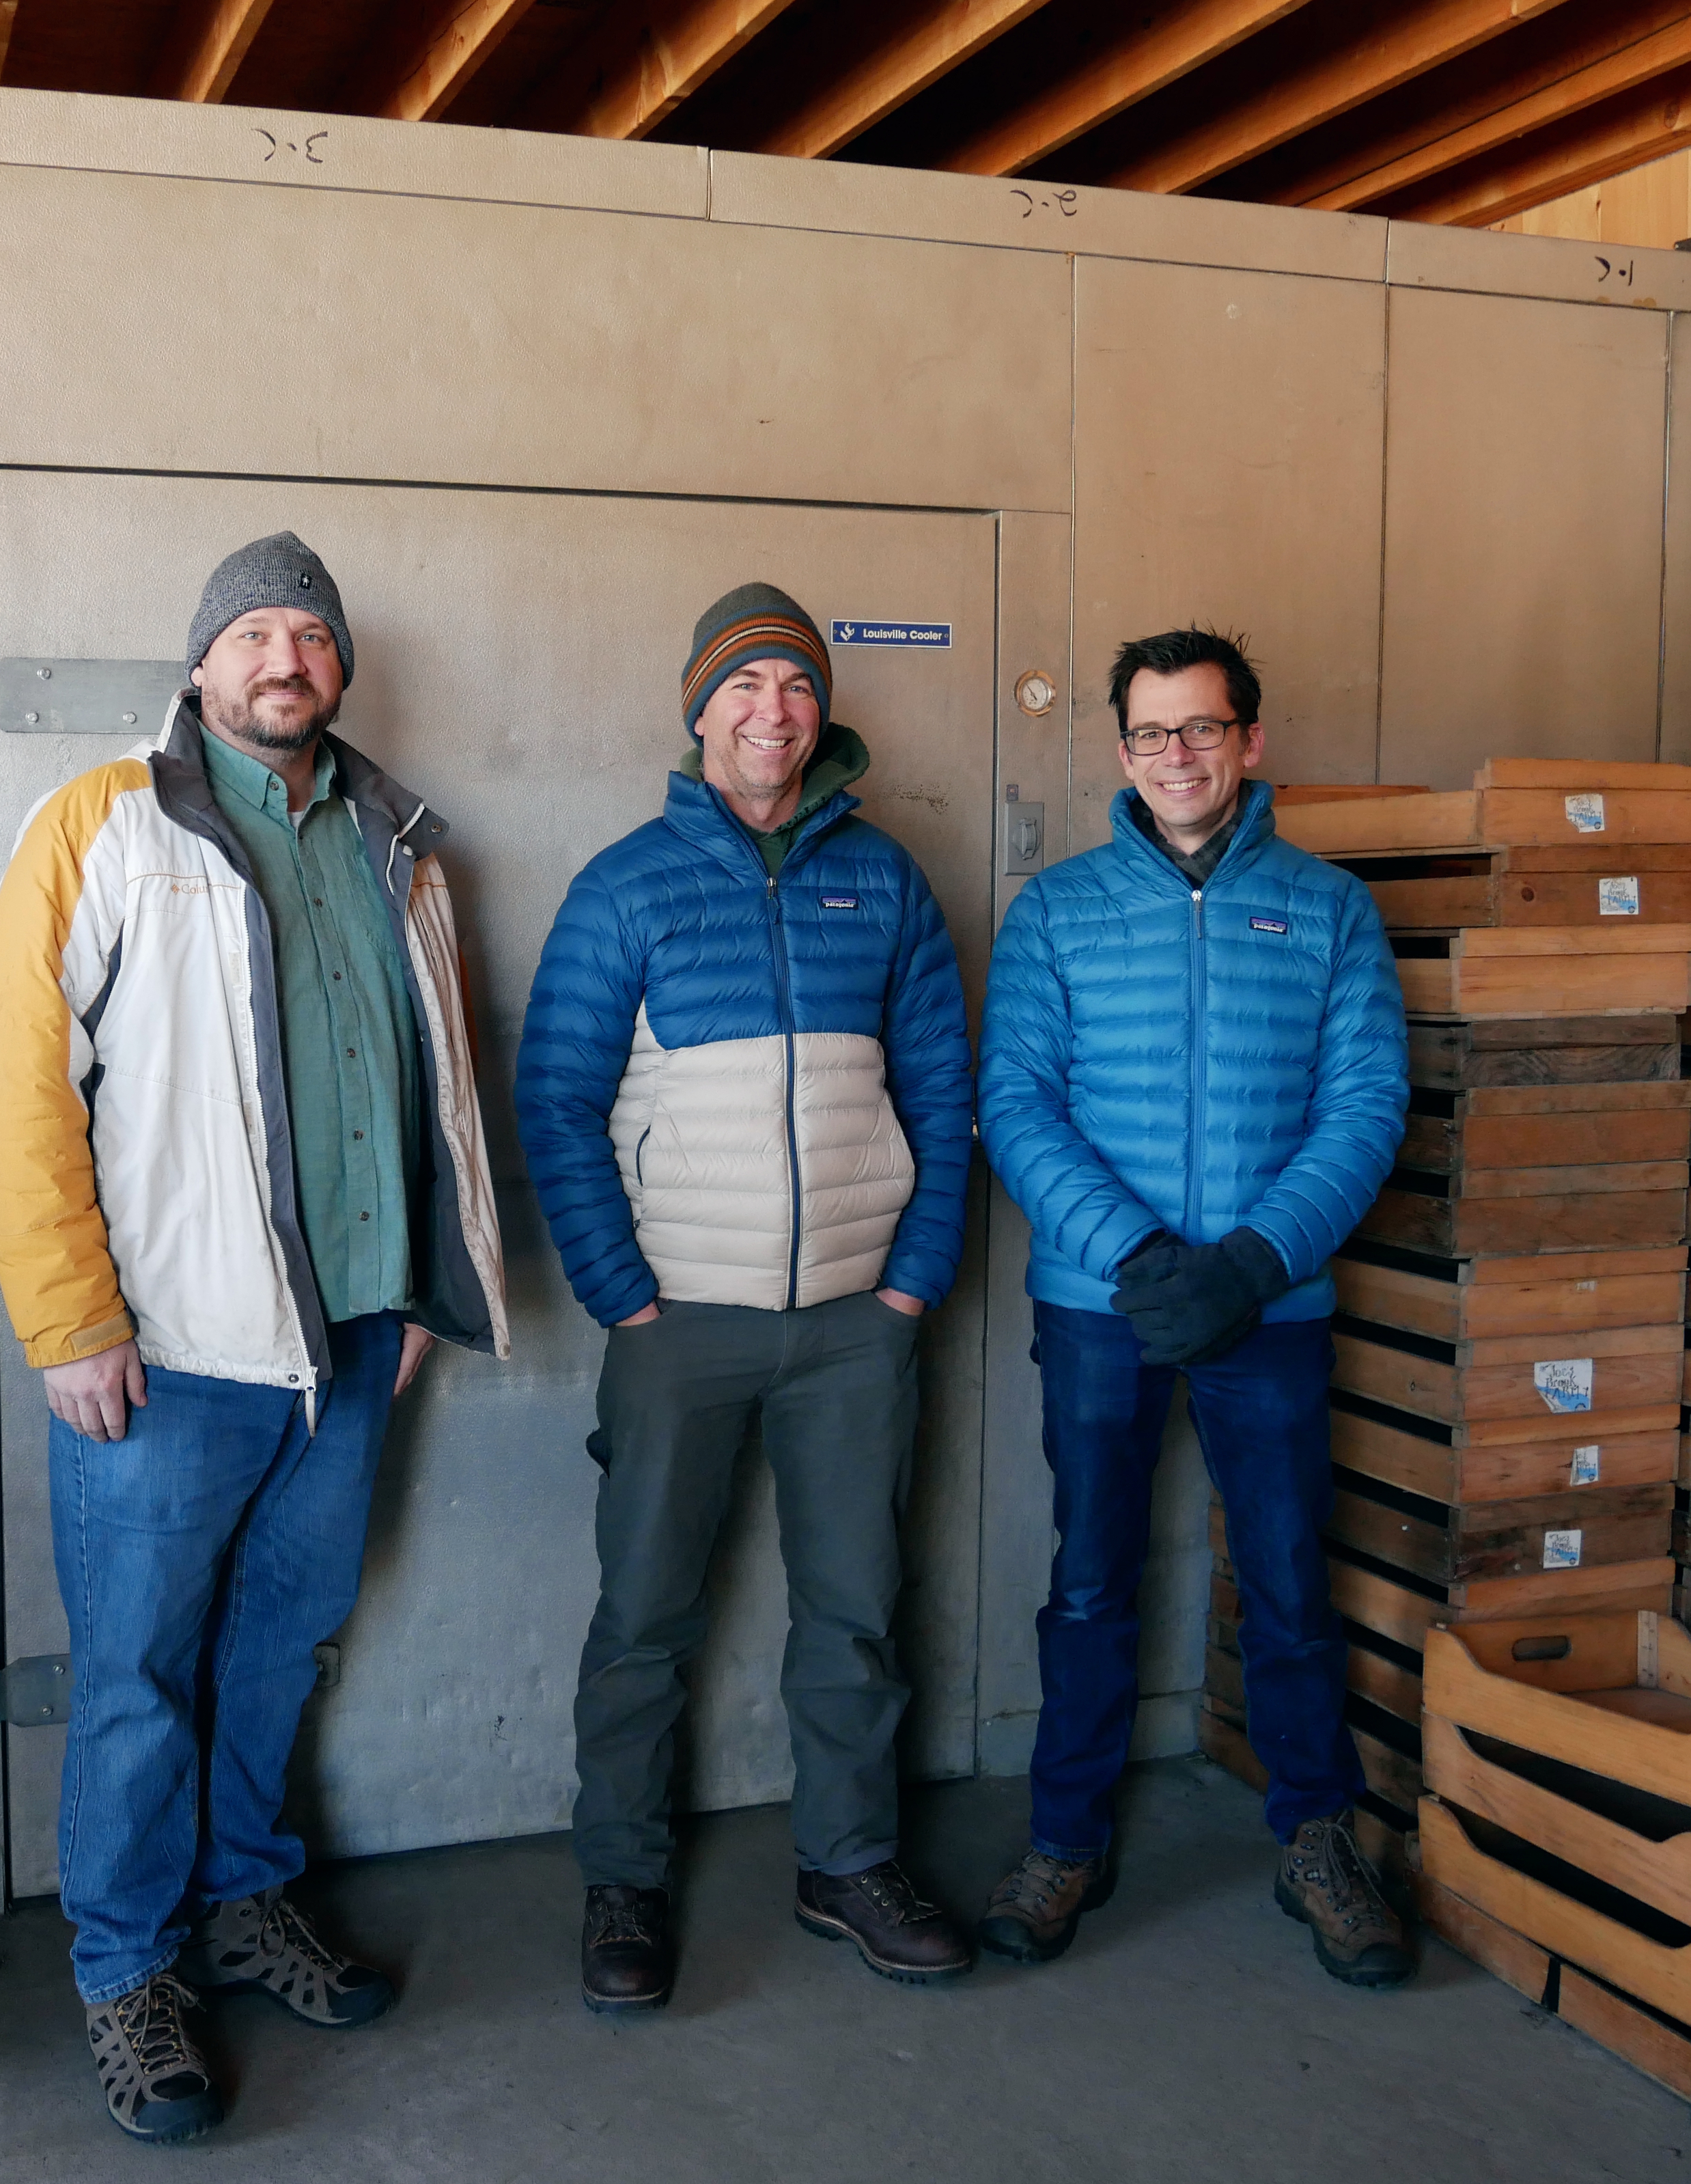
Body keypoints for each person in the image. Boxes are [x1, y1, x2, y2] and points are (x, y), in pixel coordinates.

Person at [0, 531, 511, 2142]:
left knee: (279, 1647)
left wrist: (418, 1282)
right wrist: (70, 1320)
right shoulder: (101, 827)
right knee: (135, 1676)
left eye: (312, 634)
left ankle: (245, 1896)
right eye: (256, 632)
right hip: (169, 1350)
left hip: (346, 1350)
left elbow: (426, 1083)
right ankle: (127, 1969)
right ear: (201, 663)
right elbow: (16, 1082)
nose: (287, 657)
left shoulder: (399, 841)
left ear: (340, 667)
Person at [516, 582, 977, 2014]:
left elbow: (945, 1093)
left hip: (854, 1323)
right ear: (697, 711)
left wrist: (909, 1287)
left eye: (793, 684)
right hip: (681, 1325)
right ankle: (624, 1881)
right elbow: (554, 1101)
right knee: (644, 1613)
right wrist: (624, 1297)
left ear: (817, 712)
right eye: (742, 686)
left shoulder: (884, 881)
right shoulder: (626, 885)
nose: (770, 709)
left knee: (854, 1607)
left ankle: (848, 1862)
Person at [973, 628, 1412, 1987]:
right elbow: (1015, 1103)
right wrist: (1140, 1253)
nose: (1178, 755)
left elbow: (1365, 1105)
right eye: (1152, 733)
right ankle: (1063, 1837)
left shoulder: (1331, 910)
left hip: (1266, 1308)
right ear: (1120, 751)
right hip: (1105, 1304)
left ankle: (1315, 1838)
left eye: (1202, 728)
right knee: (1091, 1576)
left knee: (1286, 1576)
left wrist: (1253, 1259)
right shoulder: (1055, 909)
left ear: (1250, 741)